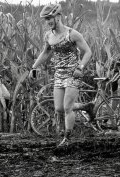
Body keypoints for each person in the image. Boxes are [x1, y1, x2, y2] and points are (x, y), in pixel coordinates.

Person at [30, 4, 92, 146]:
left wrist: (80, 67)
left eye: (50, 18)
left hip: (73, 74)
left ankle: (67, 139)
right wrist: (33, 67)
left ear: (58, 16)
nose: (48, 22)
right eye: (46, 19)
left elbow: (88, 52)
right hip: (59, 75)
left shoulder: (72, 34)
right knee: (59, 108)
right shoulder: (49, 36)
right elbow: (45, 53)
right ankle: (86, 107)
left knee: (67, 108)